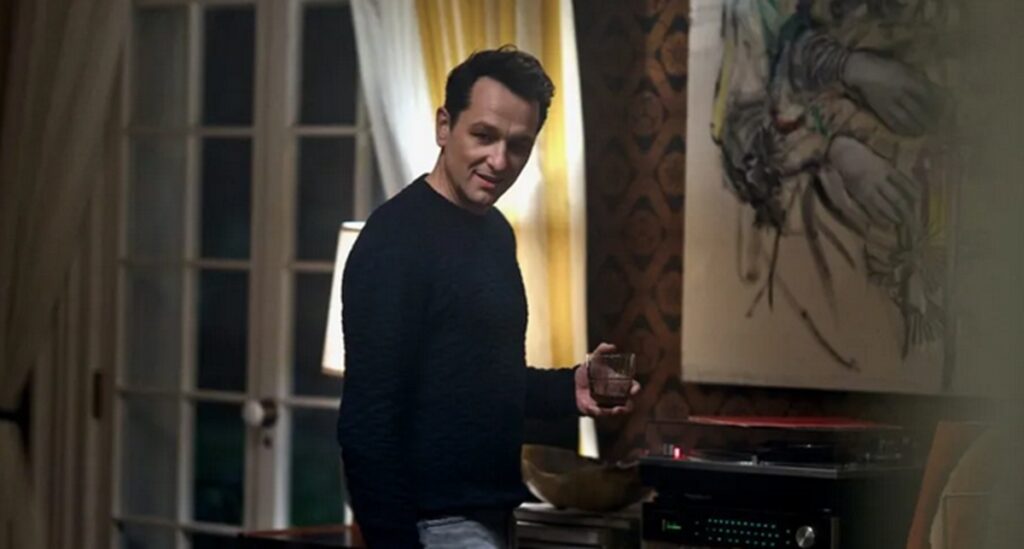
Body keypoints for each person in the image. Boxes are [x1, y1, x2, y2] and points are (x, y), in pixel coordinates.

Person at [336, 45, 640, 548]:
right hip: (433, 526)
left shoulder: (495, 232)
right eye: (483, 135)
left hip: (497, 517)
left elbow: (481, 383)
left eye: (518, 145)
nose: (499, 161)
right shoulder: (395, 241)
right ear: (444, 126)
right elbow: (367, 426)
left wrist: (570, 389)